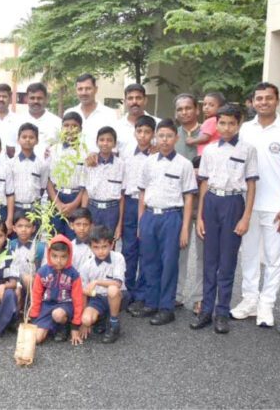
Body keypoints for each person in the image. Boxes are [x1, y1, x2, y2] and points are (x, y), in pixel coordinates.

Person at [232, 82, 280, 326]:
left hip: (276, 206)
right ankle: (249, 300)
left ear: (277, 100)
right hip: (247, 204)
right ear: (253, 102)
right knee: (249, 255)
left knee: (274, 258)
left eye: (268, 98)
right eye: (259, 98)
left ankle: (266, 305)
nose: (264, 102)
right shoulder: (245, 130)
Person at [192, 104, 258, 334]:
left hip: (233, 204)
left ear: (239, 124)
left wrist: (246, 217)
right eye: (222, 122)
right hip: (211, 202)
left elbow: (251, 185)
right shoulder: (209, 150)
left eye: (232, 123)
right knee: (210, 260)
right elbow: (204, 183)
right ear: (216, 124)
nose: (227, 127)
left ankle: (222, 312)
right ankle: (206, 310)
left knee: (227, 262)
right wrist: (200, 216)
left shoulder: (248, 150)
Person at [133, 119, 197, 326]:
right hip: (150, 216)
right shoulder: (149, 162)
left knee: (169, 263)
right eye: (161, 136)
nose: (165, 140)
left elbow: (189, 198)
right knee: (150, 262)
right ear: (156, 137)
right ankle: (151, 302)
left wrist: (185, 228)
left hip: (171, 217)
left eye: (169, 136)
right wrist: (141, 221)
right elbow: (142, 193)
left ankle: (166, 307)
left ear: (176, 139)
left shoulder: (184, 165)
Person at [174, 94, 204, 314]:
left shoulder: (210, 133)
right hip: (180, 202)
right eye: (180, 109)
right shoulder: (172, 137)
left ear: (197, 109)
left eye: (188, 108)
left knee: (203, 253)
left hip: (204, 203)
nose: (184, 112)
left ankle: (200, 297)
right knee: (180, 250)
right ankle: (176, 294)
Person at [122, 115, 156, 311]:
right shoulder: (126, 152)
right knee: (129, 249)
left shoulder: (156, 155)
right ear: (134, 132)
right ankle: (128, 289)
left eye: (147, 132)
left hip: (148, 205)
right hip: (129, 202)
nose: (143, 136)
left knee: (146, 249)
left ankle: (143, 293)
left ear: (153, 134)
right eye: (139, 131)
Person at [29, 234, 84, 345]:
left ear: (69, 256)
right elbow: (36, 295)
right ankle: (51, 326)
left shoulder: (74, 275)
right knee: (37, 339)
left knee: (57, 315)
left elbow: (78, 300)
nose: (58, 261)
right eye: (55, 256)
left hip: (65, 306)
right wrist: (34, 317)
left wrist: (75, 327)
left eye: (63, 257)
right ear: (49, 255)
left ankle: (63, 327)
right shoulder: (42, 272)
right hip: (47, 306)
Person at [78, 225, 126, 344]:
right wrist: (83, 323)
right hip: (97, 298)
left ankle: (114, 324)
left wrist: (97, 281)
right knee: (87, 319)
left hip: (118, 296)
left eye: (104, 247)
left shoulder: (118, 258)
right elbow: (83, 292)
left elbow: (118, 283)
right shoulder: (86, 265)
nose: (101, 251)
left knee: (112, 290)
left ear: (111, 245)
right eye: (96, 247)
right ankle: (102, 317)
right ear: (90, 247)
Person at [46, 112, 86, 239]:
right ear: (61, 128)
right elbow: (48, 180)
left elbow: (86, 185)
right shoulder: (53, 150)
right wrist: (57, 203)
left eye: (74, 126)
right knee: (55, 238)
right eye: (66, 125)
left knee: (74, 238)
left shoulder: (86, 153)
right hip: (56, 197)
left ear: (80, 130)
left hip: (76, 198)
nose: (70, 129)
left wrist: (74, 204)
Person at [81, 126, 124, 237]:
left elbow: (122, 197)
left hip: (111, 211)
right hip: (93, 209)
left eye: (109, 140)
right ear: (97, 142)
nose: (105, 143)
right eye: (102, 140)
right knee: (91, 242)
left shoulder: (121, 165)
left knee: (108, 244)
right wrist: (83, 216)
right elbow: (85, 192)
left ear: (114, 144)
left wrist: (119, 225)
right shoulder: (89, 163)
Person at [66, 73, 120, 152]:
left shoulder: (109, 114)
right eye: (80, 89)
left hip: (99, 163)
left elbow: (114, 146)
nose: (84, 93)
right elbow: (63, 141)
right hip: (72, 162)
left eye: (88, 89)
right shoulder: (69, 113)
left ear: (96, 89)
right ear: (76, 91)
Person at [9, 123, 49, 219]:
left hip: (34, 209)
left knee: (34, 233)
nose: (27, 140)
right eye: (24, 137)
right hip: (15, 208)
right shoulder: (10, 164)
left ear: (37, 141)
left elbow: (42, 187)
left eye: (31, 137)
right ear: (18, 140)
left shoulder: (42, 164)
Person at [9, 212, 46, 311]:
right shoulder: (10, 246)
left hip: (33, 281)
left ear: (34, 229)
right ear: (14, 228)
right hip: (13, 280)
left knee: (27, 279)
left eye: (27, 226)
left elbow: (44, 270)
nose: (23, 229)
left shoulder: (40, 247)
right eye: (20, 226)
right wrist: (17, 284)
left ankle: (31, 308)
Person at [113, 84, 160, 156]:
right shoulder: (116, 127)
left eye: (138, 98)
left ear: (145, 100)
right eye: (130, 98)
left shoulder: (159, 124)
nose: (134, 102)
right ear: (125, 101)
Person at [18, 83, 61, 157]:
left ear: (46, 99)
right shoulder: (17, 121)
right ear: (26, 99)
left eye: (39, 98)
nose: (36, 101)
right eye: (32, 98)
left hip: (50, 168)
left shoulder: (57, 122)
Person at [0, 84, 21, 159]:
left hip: (12, 165)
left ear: (10, 99)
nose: (1, 99)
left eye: (4, 96)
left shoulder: (19, 120)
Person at [197, 92, 226, 156]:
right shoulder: (217, 120)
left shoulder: (211, 120)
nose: (206, 107)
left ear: (220, 107)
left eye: (211, 105)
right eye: (204, 104)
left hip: (204, 154)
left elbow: (205, 138)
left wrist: (192, 141)